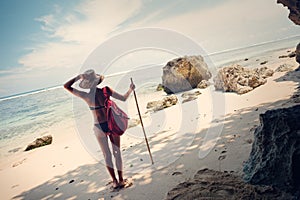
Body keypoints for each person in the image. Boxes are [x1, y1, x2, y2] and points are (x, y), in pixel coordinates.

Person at [64, 69, 135, 189]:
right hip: (112, 124)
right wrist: (130, 89)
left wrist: (78, 77)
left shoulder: (86, 96)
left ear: (87, 84)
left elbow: (66, 86)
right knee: (116, 153)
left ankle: (114, 181)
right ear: (97, 81)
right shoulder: (106, 91)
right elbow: (123, 98)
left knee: (106, 155)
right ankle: (121, 180)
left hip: (99, 127)